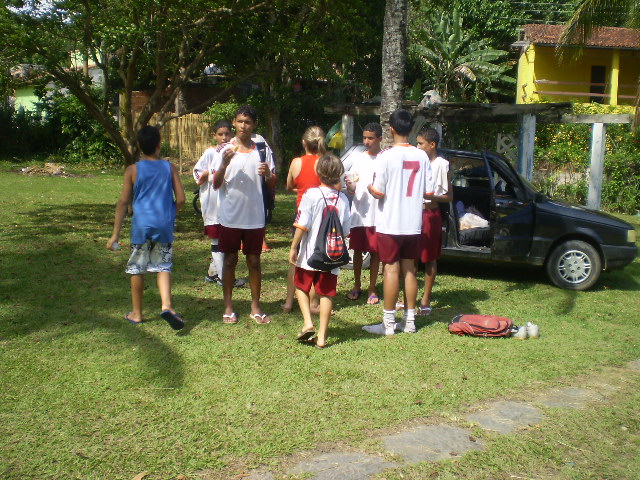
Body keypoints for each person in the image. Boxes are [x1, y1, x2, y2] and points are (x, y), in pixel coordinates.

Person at [106, 125, 186, 330]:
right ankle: (167, 306)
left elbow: (124, 202)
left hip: (141, 226)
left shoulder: (132, 170)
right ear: (160, 144)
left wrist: (115, 234)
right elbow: (182, 198)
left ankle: (137, 313)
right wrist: (170, 215)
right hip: (163, 225)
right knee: (163, 266)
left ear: (139, 146)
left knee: (137, 268)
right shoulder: (169, 168)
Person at [363, 109, 434, 336]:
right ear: (411, 130)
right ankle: (410, 321)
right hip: (413, 222)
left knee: (391, 269)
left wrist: (368, 189)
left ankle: (388, 324)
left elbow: (377, 192)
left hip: (391, 222)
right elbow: (429, 192)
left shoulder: (385, 156)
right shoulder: (422, 155)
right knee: (410, 270)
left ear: (391, 129)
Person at [212, 105, 276, 325]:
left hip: (255, 216)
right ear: (234, 122)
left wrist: (268, 174)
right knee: (229, 260)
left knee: (254, 261)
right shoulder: (224, 150)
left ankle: (255, 306)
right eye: (240, 121)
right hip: (230, 216)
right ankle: (228, 306)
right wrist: (224, 165)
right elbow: (215, 183)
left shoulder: (262, 149)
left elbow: (272, 181)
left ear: (254, 125)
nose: (243, 126)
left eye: (247, 122)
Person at [289, 153, 350, 348]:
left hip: (309, 254)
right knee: (327, 294)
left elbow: (302, 224)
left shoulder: (311, 195)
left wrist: (293, 247)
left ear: (318, 172)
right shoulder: (344, 199)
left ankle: (308, 322)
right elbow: (346, 230)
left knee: (301, 286)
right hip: (332, 255)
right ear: (339, 173)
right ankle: (322, 337)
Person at [193, 119, 246, 288]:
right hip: (212, 202)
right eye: (220, 134)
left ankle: (213, 272)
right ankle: (224, 278)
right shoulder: (210, 153)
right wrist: (211, 173)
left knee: (224, 238)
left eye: (227, 134)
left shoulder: (234, 151)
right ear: (214, 135)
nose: (224, 137)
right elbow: (198, 175)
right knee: (216, 238)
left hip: (227, 202)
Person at [282, 125, 325, 313]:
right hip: (320, 217)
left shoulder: (295, 162)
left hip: (300, 215)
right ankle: (314, 303)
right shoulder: (325, 163)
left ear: (304, 143)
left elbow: (289, 185)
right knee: (317, 259)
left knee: (295, 259)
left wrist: (302, 190)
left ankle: (289, 302)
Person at [344, 122, 382, 305]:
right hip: (359, 212)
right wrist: (350, 187)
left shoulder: (384, 159)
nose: (366, 141)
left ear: (380, 139)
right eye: (364, 137)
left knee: (376, 252)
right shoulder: (358, 159)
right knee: (357, 251)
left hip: (378, 213)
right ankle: (357, 285)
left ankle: (372, 288)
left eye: (371, 138)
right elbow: (352, 186)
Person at [416, 127, 452, 315]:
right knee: (411, 257)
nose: (418, 147)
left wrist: (430, 197)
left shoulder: (441, 164)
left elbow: (449, 196)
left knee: (429, 258)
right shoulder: (416, 163)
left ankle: (426, 299)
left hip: (430, 215)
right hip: (414, 215)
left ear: (432, 144)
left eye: (421, 143)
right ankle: (408, 297)